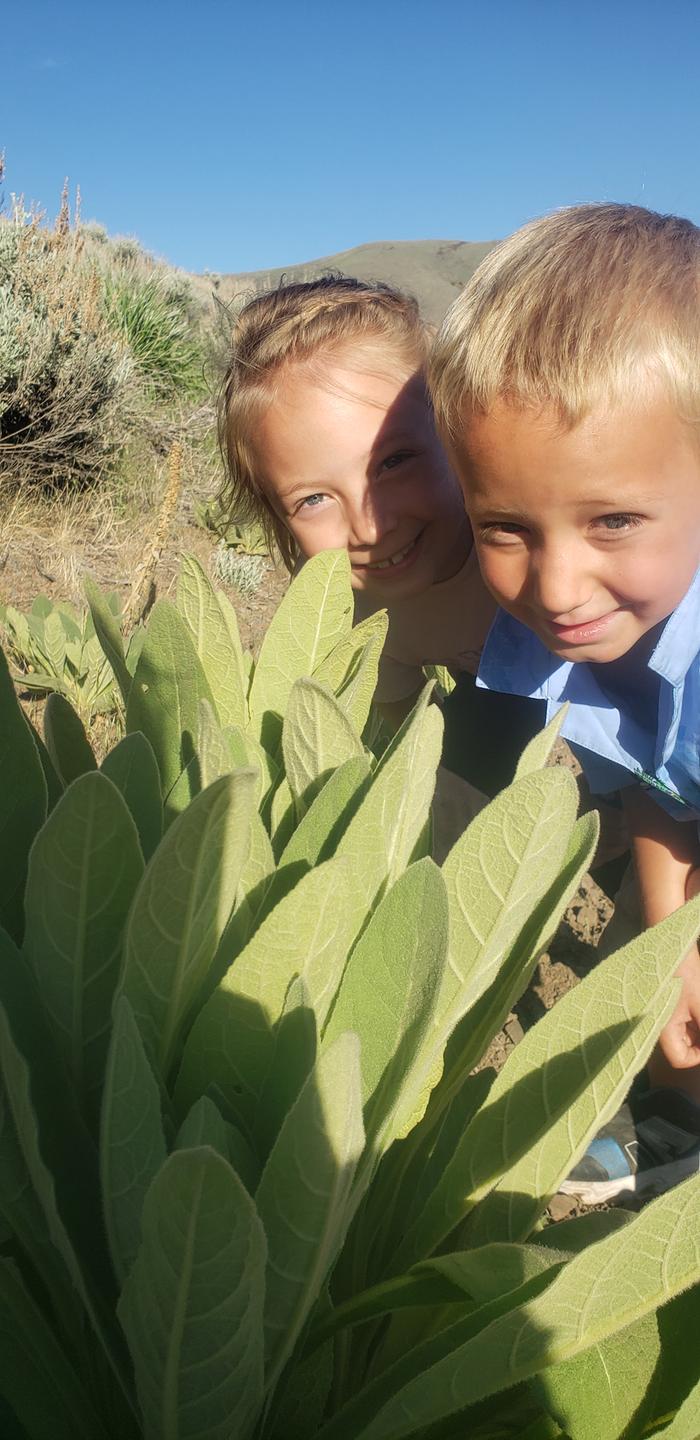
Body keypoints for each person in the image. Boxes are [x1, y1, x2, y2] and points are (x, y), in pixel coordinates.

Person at [429, 201, 700, 1199]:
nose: (554, 587)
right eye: (504, 528)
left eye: (613, 520)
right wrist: (671, 944)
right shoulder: (579, 634)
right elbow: (660, 787)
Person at [217, 276, 544, 848]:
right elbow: (406, 720)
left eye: (394, 462)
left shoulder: (541, 543)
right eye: (313, 499)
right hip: (488, 687)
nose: (370, 527)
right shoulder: (358, 609)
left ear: (458, 427)